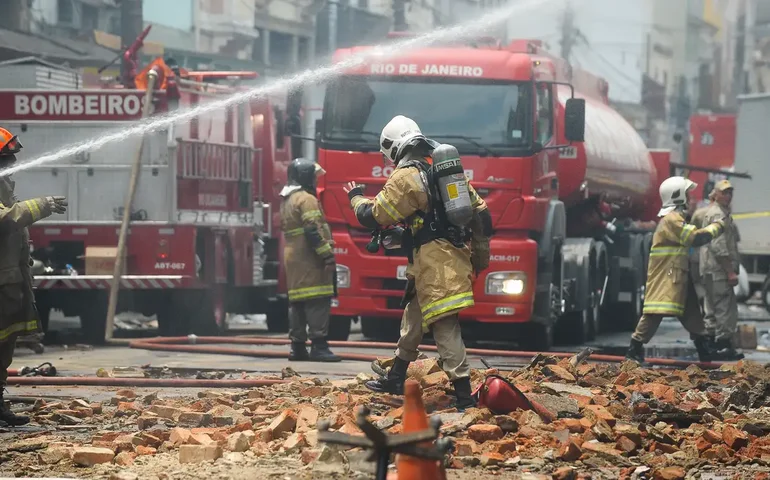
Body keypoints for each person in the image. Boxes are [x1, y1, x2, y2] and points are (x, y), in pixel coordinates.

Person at [343, 115, 492, 410]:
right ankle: (396, 377)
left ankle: (464, 395)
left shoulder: (405, 177)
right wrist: (479, 257)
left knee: (444, 326)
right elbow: (481, 216)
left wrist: (355, 197)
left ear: (393, 147)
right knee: (413, 319)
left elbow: (374, 215)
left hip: (435, 266)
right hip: (447, 259)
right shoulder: (442, 171)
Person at [0, 127, 68, 426]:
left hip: (7, 287)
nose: (12, 165)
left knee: (3, 350)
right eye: (5, 159)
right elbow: (5, 218)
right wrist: (42, 205)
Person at [626, 176, 724, 364]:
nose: (690, 197)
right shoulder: (672, 219)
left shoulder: (675, 219)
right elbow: (694, 238)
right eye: (687, 194)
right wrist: (717, 227)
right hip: (667, 276)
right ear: (678, 196)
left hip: (677, 275)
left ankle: (705, 350)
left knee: (693, 313)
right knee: (655, 311)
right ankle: (634, 348)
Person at [279, 158, 341, 363]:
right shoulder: (306, 199)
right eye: (313, 177)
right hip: (309, 257)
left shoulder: (288, 198)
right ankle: (319, 346)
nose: (315, 181)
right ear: (306, 177)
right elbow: (313, 231)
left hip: (293, 256)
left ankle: (297, 348)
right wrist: (327, 255)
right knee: (317, 301)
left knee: (297, 302)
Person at [700, 179, 744, 360]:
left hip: (709, 269)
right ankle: (724, 345)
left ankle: (710, 344)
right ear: (715, 194)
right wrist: (730, 271)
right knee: (724, 308)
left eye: (730, 192)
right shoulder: (718, 214)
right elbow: (718, 247)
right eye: (724, 192)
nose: (728, 195)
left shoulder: (715, 212)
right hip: (718, 270)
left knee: (711, 307)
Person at [690, 190, 717, 332]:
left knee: (698, 283)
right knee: (711, 288)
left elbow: (691, 233)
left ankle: (702, 308)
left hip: (696, 254)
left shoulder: (699, 213)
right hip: (714, 257)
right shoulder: (723, 214)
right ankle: (709, 315)